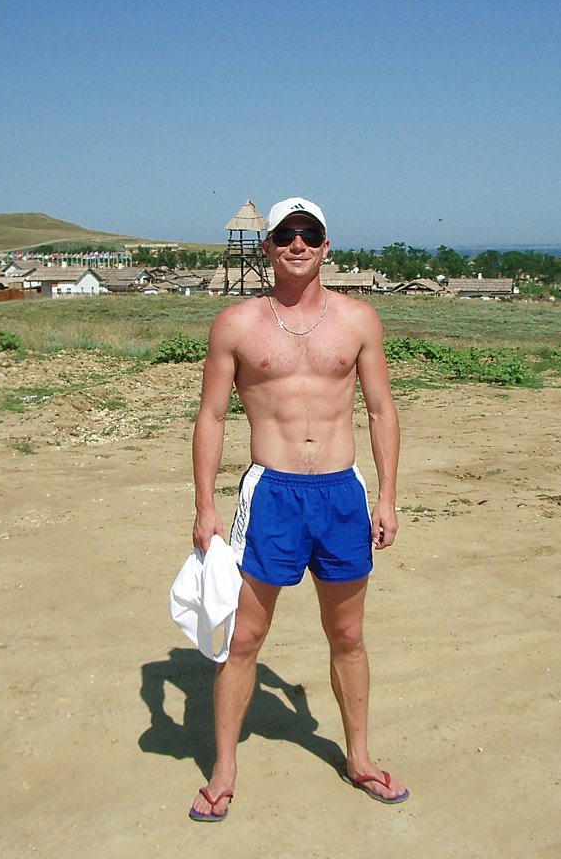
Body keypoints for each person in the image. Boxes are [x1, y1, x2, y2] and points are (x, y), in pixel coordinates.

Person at [187, 197, 408, 821]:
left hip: (341, 494)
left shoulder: (359, 319)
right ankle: (224, 769)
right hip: (271, 495)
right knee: (244, 638)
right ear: (268, 246)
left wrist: (387, 496)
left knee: (348, 635)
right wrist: (204, 505)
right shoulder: (235, 324)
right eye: (286, 234)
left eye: (310, 234)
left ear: (326, 246)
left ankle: (359, 757)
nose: (298, 244)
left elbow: (381, 409)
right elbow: (211, 416)